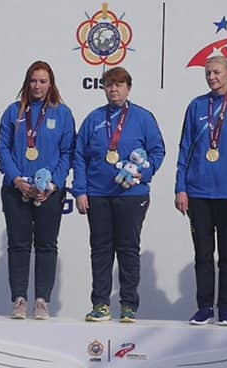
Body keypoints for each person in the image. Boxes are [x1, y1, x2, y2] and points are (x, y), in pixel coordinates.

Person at [73, 66, 165, 323]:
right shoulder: (93, 119)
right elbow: (79, 155)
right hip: (97, 194)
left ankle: (128, 305)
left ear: (128, 88)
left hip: (131, 194)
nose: (113, 89)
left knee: (128, 249)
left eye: (119, 84)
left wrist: (142, 174)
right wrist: (80, 190)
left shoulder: (143, 118)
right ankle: (100, 304)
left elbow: (157, 151)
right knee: (100, 249)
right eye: (109, 85)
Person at [174, 55, 227, 326]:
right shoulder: (196, 106)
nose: (212, 77)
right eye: (208, 73)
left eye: (217, 72)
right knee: (203, 254)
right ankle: (205, 307)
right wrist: (180, 187)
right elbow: (185, 148)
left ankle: (226, 308)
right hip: (198, 192)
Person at [0, 61, 75, 320]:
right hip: (17, 189)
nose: (37, 86)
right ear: (26, 82)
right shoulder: (13, 111)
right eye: (33, 80)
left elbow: (68, 153)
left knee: (46, 245)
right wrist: (16, 178)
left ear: (51, 84)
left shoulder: (62, 114)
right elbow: (2, 147)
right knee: (18, 245)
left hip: (48, 192)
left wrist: (53, 185)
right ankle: (19, 299)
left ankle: (42, 300)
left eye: (42, 81)